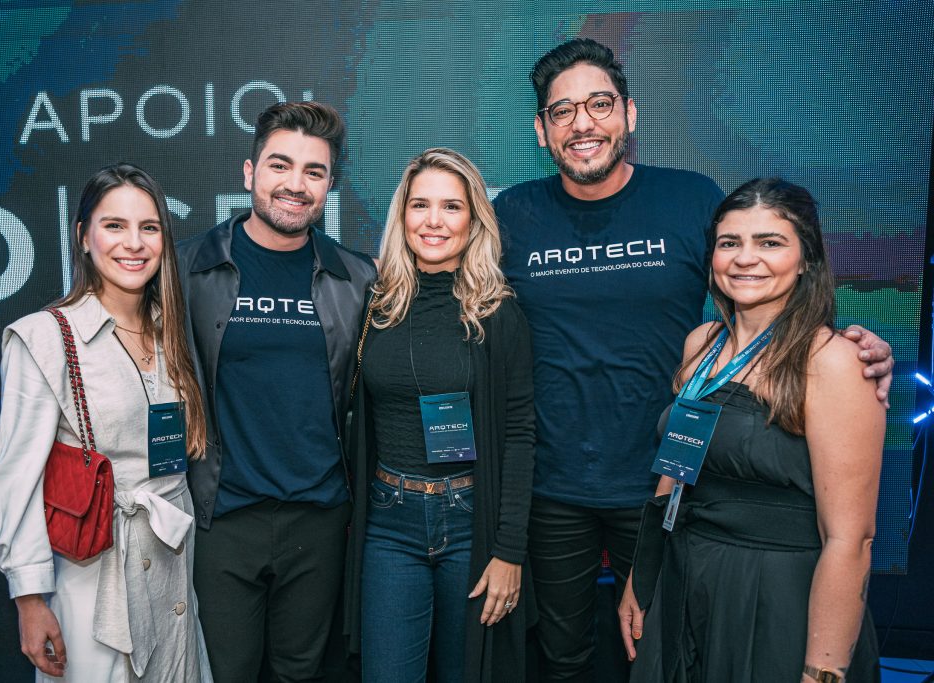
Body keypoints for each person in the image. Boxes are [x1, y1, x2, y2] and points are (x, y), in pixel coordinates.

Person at [491, 38, 895, 680]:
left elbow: (760, 295)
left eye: (599, 104)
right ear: (542, 131)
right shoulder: (510, 214)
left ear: (629, 113)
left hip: (671, 487)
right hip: (554, 485)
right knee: (560, 658)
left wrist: (852, 349)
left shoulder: (689, 201)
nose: (583, 123)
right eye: (562, 112)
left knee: (661, 651)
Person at [618, 177, 883, 682]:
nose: (745, 258)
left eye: (770, 242)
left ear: (806, 258)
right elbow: (675, 472)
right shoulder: (701, 344)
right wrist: (642, 575)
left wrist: (821, 672)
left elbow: (852, 539)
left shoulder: (834, 362)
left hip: (777, 596)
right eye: (729, 243)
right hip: (685, 576)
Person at [0, 163, 211, 681]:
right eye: (114, 226)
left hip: (176, 571)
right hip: (97, 577)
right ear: (83, 236)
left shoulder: (171, 332)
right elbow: (14, 479)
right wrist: (30, 599)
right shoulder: (43, 338)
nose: (134, 243)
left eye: (149, 228)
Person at [178, 101, 375, 682]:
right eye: (280, 166)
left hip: (318, 518)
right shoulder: (189, 268)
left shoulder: (358, 277)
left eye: (313, 172)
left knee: (301, 674)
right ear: (249, 172)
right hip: (224, 518)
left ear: (329, 185)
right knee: (225, 673)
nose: (295, 184)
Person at [344, 148, 536, 682]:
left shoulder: (499, 312)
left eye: (451, 207)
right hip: (389, 523)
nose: (433, 221)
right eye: (419, 204)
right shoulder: (373, 304)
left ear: (474, 219)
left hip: (470, 521)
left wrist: (509, 550)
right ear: (401, 214)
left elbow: (520, 433)